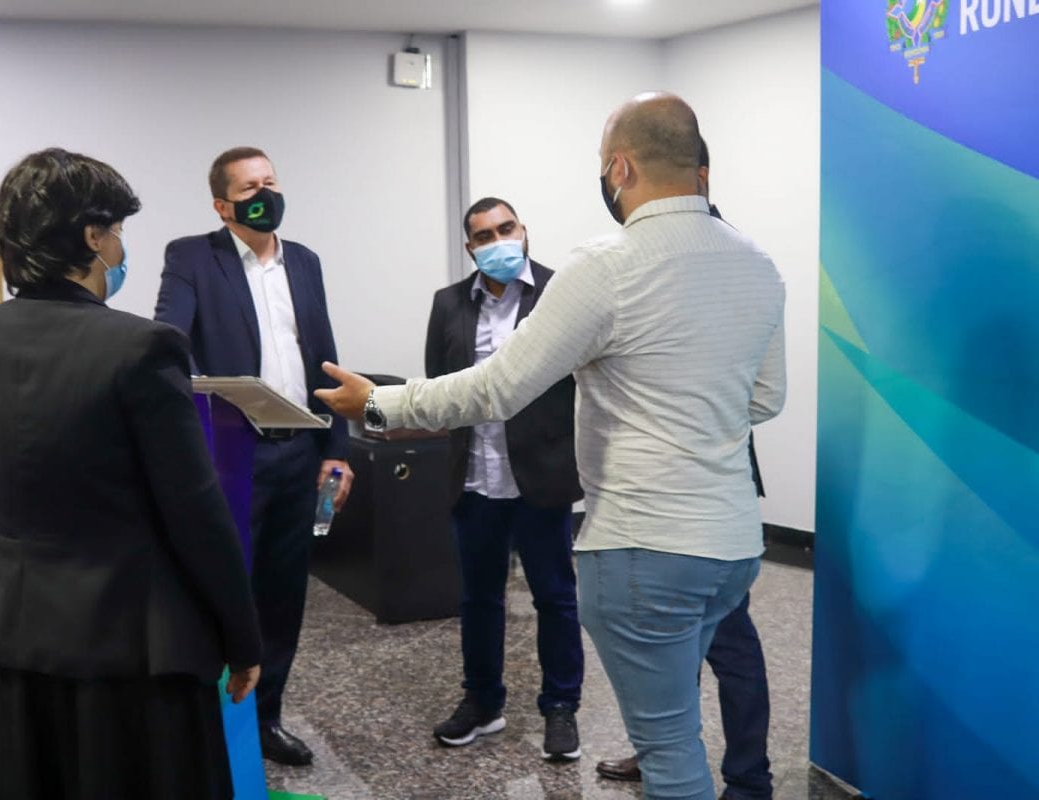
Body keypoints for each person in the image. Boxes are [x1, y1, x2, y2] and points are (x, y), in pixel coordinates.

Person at [316, 92, 786, 800]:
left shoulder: (607, 265)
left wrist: (380, 402)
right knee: (678, 729)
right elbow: (765, 399)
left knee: (669, 751)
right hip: (734, 544)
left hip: (645, 544)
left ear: (620, 168)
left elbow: (498, 388)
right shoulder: (755, 261)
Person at [0, 147, 262, 800]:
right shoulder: (142, 346)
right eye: (118, 231)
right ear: (91, 238)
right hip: (134, 651)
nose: (120, 246)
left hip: (13, 638)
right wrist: (240, 637)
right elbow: (194, 511)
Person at [155, 146, 352, 767]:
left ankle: (266, 719)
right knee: (222, 590)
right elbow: (168, 342)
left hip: (300, 452)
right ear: (223, 206)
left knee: (282, 595)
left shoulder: (305, 261)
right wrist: (208, 404)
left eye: (270, 181)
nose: (265, 194)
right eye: (249, 188)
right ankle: (212, 725)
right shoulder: (193, 257)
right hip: (233, 456)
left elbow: (324, 356)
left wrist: (336, 449)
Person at [596, 138, 774, 800]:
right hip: (665, 505)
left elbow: (758, 393)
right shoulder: (648, 255)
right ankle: (665, 751)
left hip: (707, 498)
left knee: (731, 645)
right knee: (676, 648)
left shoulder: (724, 257)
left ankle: (749, 779)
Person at [426, 197, 584, 761]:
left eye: (506, 228)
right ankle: (482, 701)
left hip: (540, 476)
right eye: (484, 236)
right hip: (475, 477)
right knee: (479, 599)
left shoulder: (561, 293)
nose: (498, 242)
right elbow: (438, 385)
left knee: (555, 597)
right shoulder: (448, 303)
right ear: (470, 247)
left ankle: (561, 706)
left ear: (524, 230)